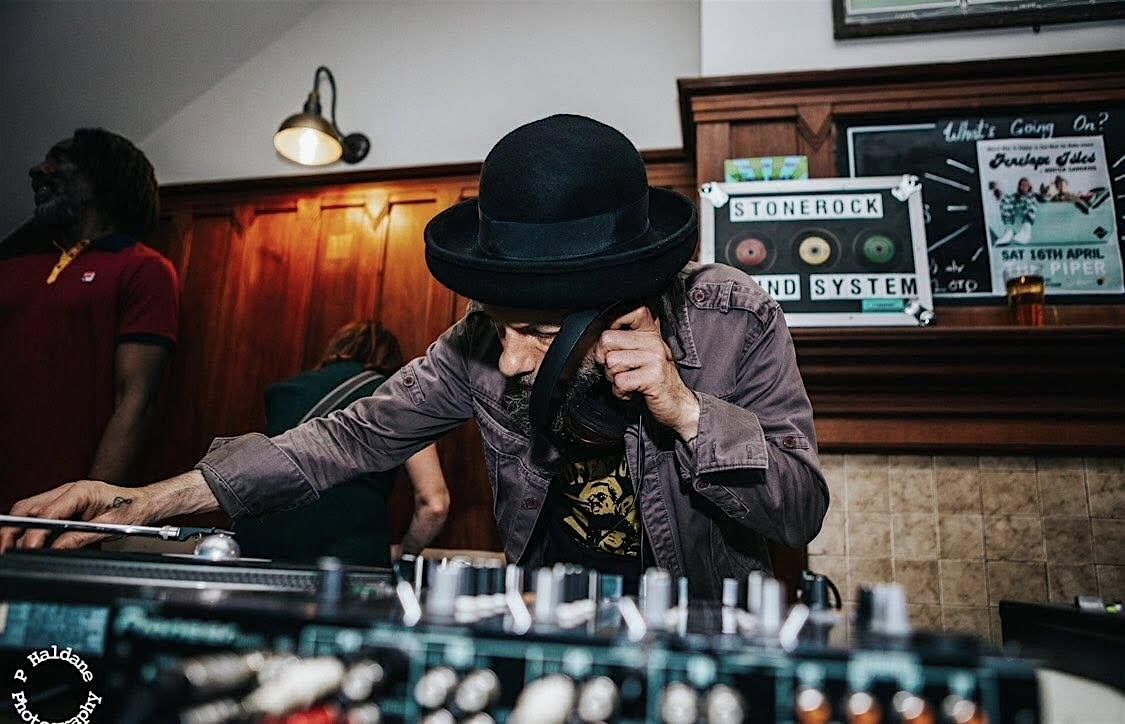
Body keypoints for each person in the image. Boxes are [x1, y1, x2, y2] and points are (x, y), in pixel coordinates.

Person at [2, 115, 828, 599]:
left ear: (624, 311)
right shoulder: (476, 344)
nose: (509, 362)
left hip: (710, 629)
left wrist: (688, 413)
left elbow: (799, 512)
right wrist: (146, 500)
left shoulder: (732, 317)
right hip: (557, 620)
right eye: (503, 326)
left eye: (540, 336)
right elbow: (343, 439)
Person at [0, 128, 178, 513]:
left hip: (57, 508)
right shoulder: (10, 270)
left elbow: (135, 397)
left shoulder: (143, 269)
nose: (38, 170)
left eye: (60, 159)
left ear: (102, 176)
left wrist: (89, 511)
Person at [236, 320, 449, 566]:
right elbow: (434, 503)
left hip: (261, 551)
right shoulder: (398, 399)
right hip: (349, 557)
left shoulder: (285, 392)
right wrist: (405, 553)